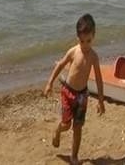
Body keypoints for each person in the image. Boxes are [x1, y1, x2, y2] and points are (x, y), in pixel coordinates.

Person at [43, 13, 105, 165]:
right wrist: (49, 83)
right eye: (82, 41)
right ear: (78, 38)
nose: (85, 45)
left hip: (82, 95)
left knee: (78, 128)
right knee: (66, 125)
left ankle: (74, 156)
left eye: (88, 41)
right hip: (68, 92)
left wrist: (101, 101)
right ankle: (57, 131)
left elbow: (98, 79)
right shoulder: (74, 51)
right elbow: (60, 65)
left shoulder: (93, 56)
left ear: (94, 36)